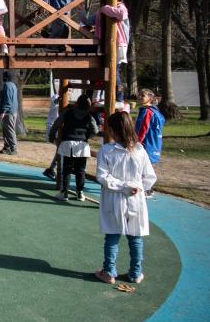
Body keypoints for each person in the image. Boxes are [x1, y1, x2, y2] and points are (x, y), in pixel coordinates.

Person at [94, 112, 157, 285]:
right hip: (135, 198)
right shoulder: (140, 150)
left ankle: (109, 272)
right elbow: (149, 177)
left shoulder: (107, 150)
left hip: (115, 198)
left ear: (113, 130)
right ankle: (135, 273)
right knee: (135, 236)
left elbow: (102, 176)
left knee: (113, 234)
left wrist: (124, 187)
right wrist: (138, 188)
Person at [49, 95, 99, 201]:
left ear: (77, 103)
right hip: (82, 145)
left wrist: (51, 136)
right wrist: (86, 136)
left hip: (68, 143)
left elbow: (56, 124)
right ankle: (80, 193)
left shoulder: (67, 113)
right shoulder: (89, 116)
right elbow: (95, 130)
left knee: (66, 170)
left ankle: (64, 193)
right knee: (80, 170)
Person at [95, 0, 130, 101]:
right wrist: (81, 11)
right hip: (104, 44)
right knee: (105, 71)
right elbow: (88, 21)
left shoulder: (121, 7)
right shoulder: (102, 10)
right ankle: (102, 97)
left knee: (114, 70)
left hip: (118, 43)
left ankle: (119, 98)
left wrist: (105, 8)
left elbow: (122, 15)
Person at [135, 88, 165, 197]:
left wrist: (136, 142)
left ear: (150, 98)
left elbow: (143, 129)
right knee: (147, 166)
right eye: (139, 95)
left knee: (143, 166)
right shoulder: (155, 111)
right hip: (154, 143)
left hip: (147, 143)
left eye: (142, 95)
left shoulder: (148, 111)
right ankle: (147, 188)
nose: (139, 97)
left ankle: (146, 189)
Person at [0, 71, 18, 155]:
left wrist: (3, 111)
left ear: (5, 77)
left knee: (9, 130)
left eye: (3, 76)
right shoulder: (13, 85)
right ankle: (7, 148)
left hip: (9, 112)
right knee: (6, 130)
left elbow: (8, 100)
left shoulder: (7, 85)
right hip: (12, 111)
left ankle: (13, 149)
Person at [43, 94, 61, 181]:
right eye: (69, 90)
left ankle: (51, 169)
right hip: (53, 126)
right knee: (60, 149)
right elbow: (56, 101)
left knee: (60, 149)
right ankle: (52, 169)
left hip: (56, 126)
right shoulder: (56, 97)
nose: (70, 92)